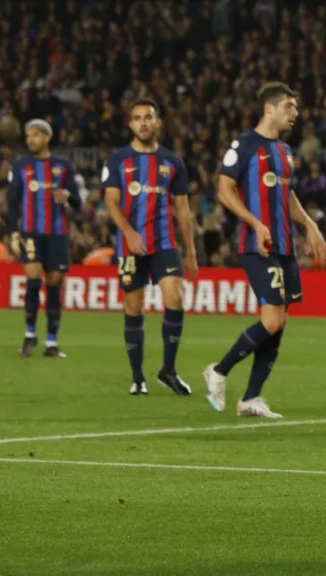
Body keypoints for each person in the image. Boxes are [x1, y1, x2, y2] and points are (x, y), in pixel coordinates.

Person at [203, 82, 326, 418]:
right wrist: (255, 223)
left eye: (297, 108)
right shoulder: (244, 145)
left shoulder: (285, 151)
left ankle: (251, 399)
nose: (296, 114)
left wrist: (310, 225)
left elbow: (286, 197)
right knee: (272, 321)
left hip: (284, 244)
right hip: (256, 244)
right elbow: (224, 190)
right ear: (269, 109)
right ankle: (219, 370)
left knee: (279, 321)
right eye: (290, 106)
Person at [103, 99, 197, 396]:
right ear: (130, 124)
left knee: (175, 297)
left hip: (164, 243)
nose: (143, 123)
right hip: (130, 245)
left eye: (148, 117)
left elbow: (182, 210)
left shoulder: (173, 162)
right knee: (134, 306)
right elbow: (111, 203)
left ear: (158, 122)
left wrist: (191, 252)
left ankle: (167, 370)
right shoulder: (118, 160)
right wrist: (129, 232)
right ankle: (137, 377)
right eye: (137, 118)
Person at [8, 119, 81, 358]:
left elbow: (77, 203)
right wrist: (12, 232)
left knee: (53, 287)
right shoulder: (20, 166)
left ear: (47, 138)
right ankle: (30, 335)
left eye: (36, 135)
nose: (31, 139)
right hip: (30, 233)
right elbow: (12, 202)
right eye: (28, 135)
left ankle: (51, 342)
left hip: (57, 235)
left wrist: (67, 196)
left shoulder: (64, 166)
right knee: (32, 281)